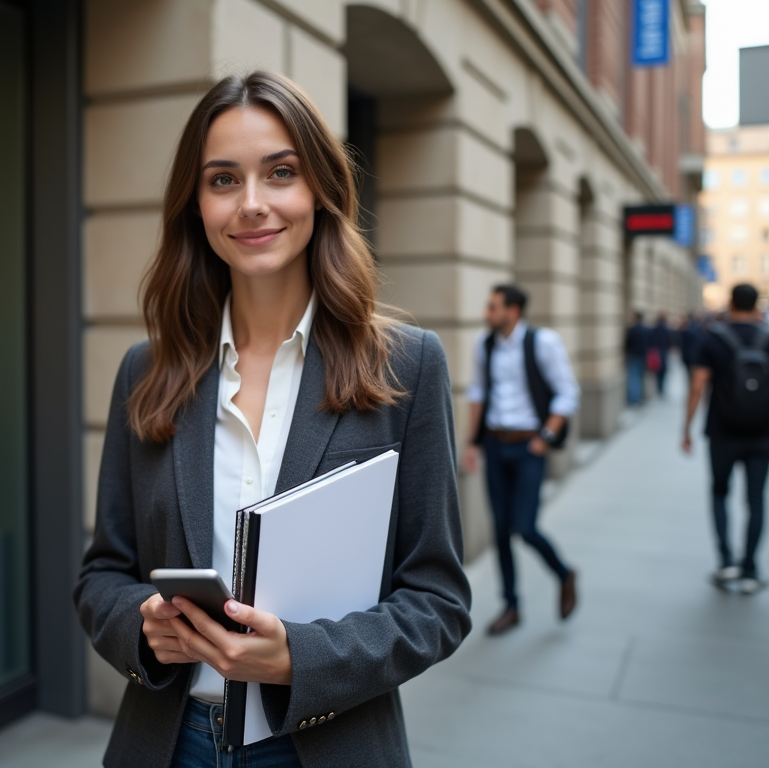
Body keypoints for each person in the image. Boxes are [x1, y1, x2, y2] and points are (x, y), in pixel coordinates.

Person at [74, 71, 472, 768]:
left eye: (280, 173)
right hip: (171, 744)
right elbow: (103, 573)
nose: (252, 204)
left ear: (319, 189)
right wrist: (143, 630)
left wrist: (299, 657)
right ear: (195, 205)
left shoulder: (406, 366)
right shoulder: (149, 369)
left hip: (326, 743)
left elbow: (438, 601)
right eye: (223, 180)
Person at [463, 284, 580, 636]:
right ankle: (511, 605)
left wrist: (545, 437)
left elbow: (567, 391)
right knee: (500, 531)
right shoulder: (484, 345)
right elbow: (479, 392)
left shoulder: (543, 343)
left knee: (525, 527)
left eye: (493, 307)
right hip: (497, 445)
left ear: (513, 311)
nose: (488, 314)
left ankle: (564, 573)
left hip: (530, 446)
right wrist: (473, 443)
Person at [682, 284, 769, 594]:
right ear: (756, 305)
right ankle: (750, 569)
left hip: (722, 431)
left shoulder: (713, 338)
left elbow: (698, 385)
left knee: (719, 494)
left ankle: (726, 562)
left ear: (730, 303)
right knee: (756, 501)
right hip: (762, 432)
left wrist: (686, 428)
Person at [624, 312, 649, 405]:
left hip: (634, 355)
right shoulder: (646, 330)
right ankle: (638, 397)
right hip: (643, 355)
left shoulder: (632, 329)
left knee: (633, 377)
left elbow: (627, 343)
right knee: (640, 377)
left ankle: (634, 398)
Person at [651, 313, 672, 398]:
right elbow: (669, 340)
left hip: (656, 351)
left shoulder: (655, 328)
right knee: (663, 370)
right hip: (663, 351)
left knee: (658, 370)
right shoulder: (666, 329)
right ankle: (661, 389)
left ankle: (659, 388)